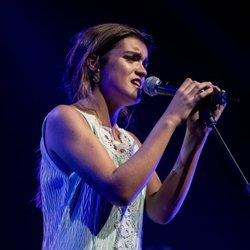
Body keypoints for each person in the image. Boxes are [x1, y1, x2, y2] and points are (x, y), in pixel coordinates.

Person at [36, 23, 226, 249]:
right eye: (131, 58)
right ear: (94, 63)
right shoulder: (64, 119)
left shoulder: (130, 142)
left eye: (144, 63)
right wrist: (171, 117)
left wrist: (195, 137)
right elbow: (120, 190)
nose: (143, 70)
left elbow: (160, 210)